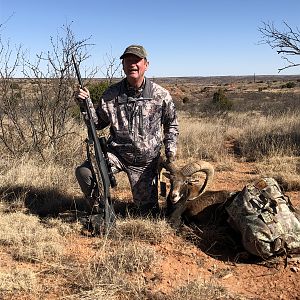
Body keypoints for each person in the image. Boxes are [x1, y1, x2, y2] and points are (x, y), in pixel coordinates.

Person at [75, 45, 179, 216]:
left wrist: (170, 152)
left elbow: (172, 124)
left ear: (146, 64)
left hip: (146, 163)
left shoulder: (161, 95)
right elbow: (97, 123)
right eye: (127, 61)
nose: (132, 64)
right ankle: (100, 210)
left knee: (148, 215)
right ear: (123, 66)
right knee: (85, 172)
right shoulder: (111, 94)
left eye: (136, 60)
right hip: (117, 155)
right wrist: (85, 105)